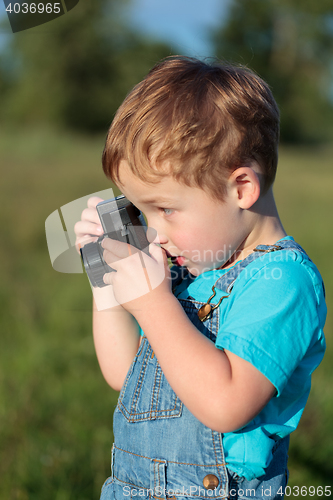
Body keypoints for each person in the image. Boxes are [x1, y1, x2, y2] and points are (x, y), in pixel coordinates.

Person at [74, 57, 326, 499]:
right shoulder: (186, 269)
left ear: (242, 188)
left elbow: (225, 404)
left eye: (166, 209)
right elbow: (124, 373)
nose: (154, 231)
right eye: (141, 210)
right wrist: (107, 279)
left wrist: (154, 304)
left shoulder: (281, 282)